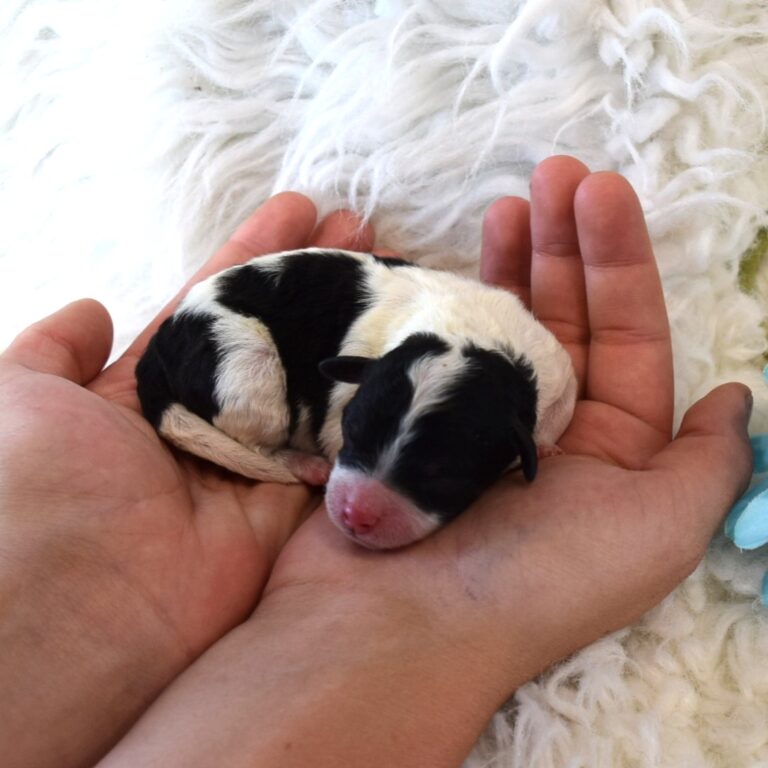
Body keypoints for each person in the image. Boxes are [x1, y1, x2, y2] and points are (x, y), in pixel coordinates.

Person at [0, 156, 752, 768]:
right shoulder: (388, 355)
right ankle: (268, 428)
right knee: (263, 398)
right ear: (357, 384)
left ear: (523, 453)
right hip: (224, 343)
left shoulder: (540, 392)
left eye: (425, 478)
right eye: (357, 442)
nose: (358, 503)